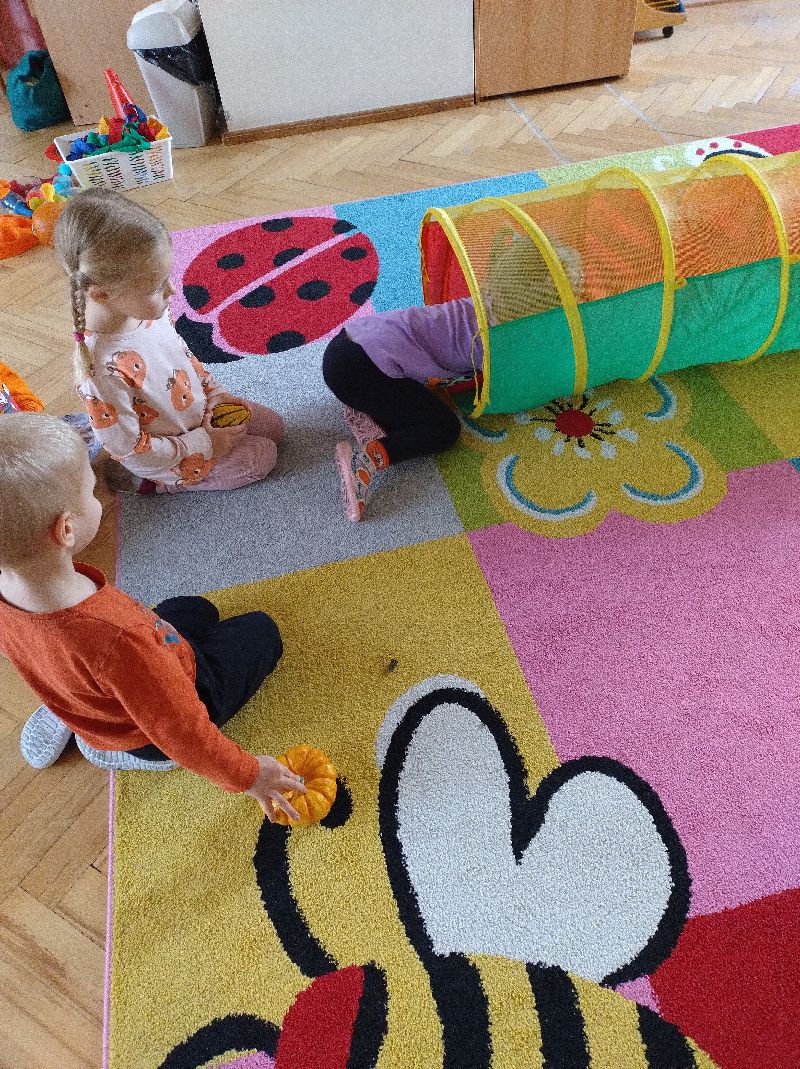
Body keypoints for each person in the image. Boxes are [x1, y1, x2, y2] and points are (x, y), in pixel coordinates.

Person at [0, 413, 304, 822]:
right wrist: (249, 775)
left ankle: (76, 713)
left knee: (194, 608)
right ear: (66, 530)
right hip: (150, 727)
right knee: (261, 630)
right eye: (91, 492)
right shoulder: (117, 641)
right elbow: (183, 731)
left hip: (96, 681)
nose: (98, 498)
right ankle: (116, 744)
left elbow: (51, 652)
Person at [323, 234, 583, 521]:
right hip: (359, 371)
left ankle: (371, 410)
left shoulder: (483, 301)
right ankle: (366, 459)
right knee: (444, 428)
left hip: (348, 342)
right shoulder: (497, 340)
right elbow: (514, 387)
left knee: (421, 395)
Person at [53, 188, 284, 494]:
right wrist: (206, 443)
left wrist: (216, 394)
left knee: (274, 426)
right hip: (171, 455)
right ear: (102, 294)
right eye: (156, 286)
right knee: (261, 458)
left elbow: (183, 357)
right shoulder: (100, 371)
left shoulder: (146, 311)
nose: (172, 292)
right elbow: (132, 450)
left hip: (197, 413)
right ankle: (155, 485)